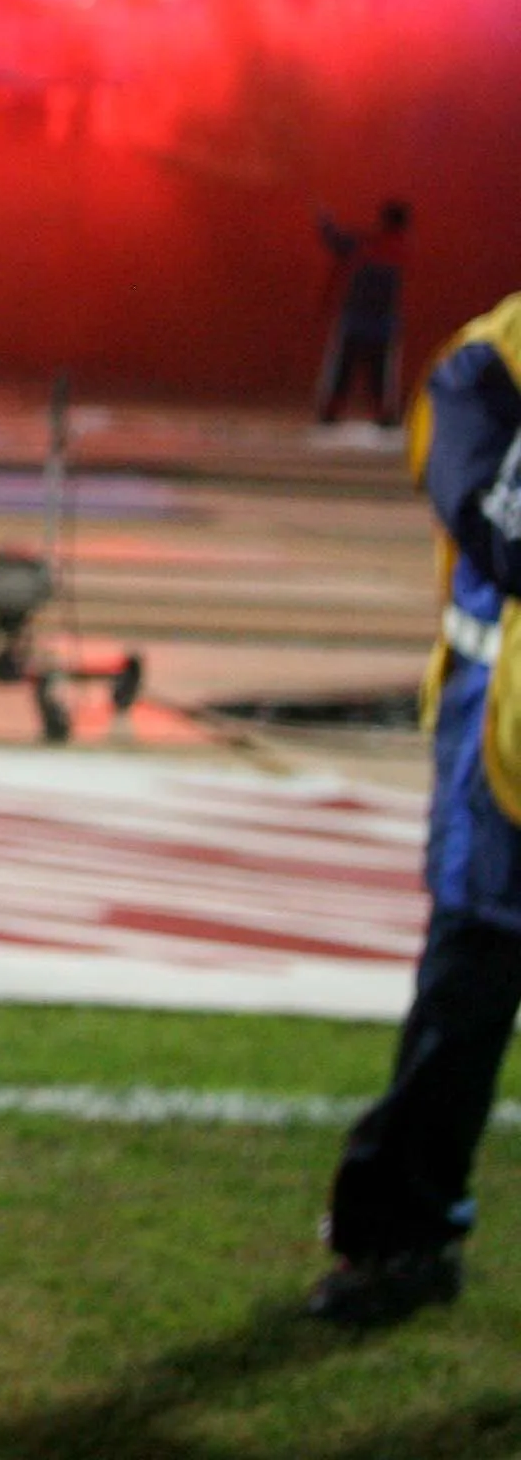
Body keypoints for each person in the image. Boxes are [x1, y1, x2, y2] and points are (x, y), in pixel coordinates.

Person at [312, 292, 521, 1325]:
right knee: (462, 1005)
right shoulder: (484, 369)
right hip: (503, 764)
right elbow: (502, 530)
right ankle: (401, 1238)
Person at [317, 199, 415, 426]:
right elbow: (340, 243)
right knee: (377, 372)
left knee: (345, 368)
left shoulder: (369, 243)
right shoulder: (396, 245)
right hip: (380, 323)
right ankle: (381, 413)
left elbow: (337, 243)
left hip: (360, 319)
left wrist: (325, 222)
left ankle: (334, 409)